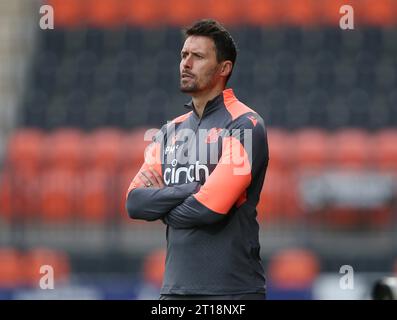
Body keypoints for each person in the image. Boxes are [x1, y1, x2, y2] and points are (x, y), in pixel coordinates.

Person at [126, 19, 269, 300]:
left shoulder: (246, 125)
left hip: (233, 293)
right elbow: (135, 202)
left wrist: (164, 209)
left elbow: (209, 208)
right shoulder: (170, 131)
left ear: (224, 68)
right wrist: (189, 190)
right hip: (174, 292)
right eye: (183, 55)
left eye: (198, 56)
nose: (186, 64)